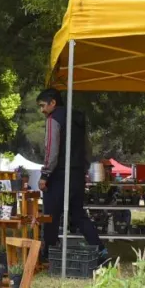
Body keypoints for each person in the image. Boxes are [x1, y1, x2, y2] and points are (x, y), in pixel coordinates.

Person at [36, 88, 103, 260]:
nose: (42, 110)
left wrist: (45, 175)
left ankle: (48, 254)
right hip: (77, 173)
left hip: (59, 174)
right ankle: (101, 250)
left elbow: (51, 149)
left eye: (43, 105)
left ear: (53, 103)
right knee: (79, 215)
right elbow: (88, 147)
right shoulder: (77, 118)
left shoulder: (54, 119)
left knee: (50, 216)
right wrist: (84, 168)